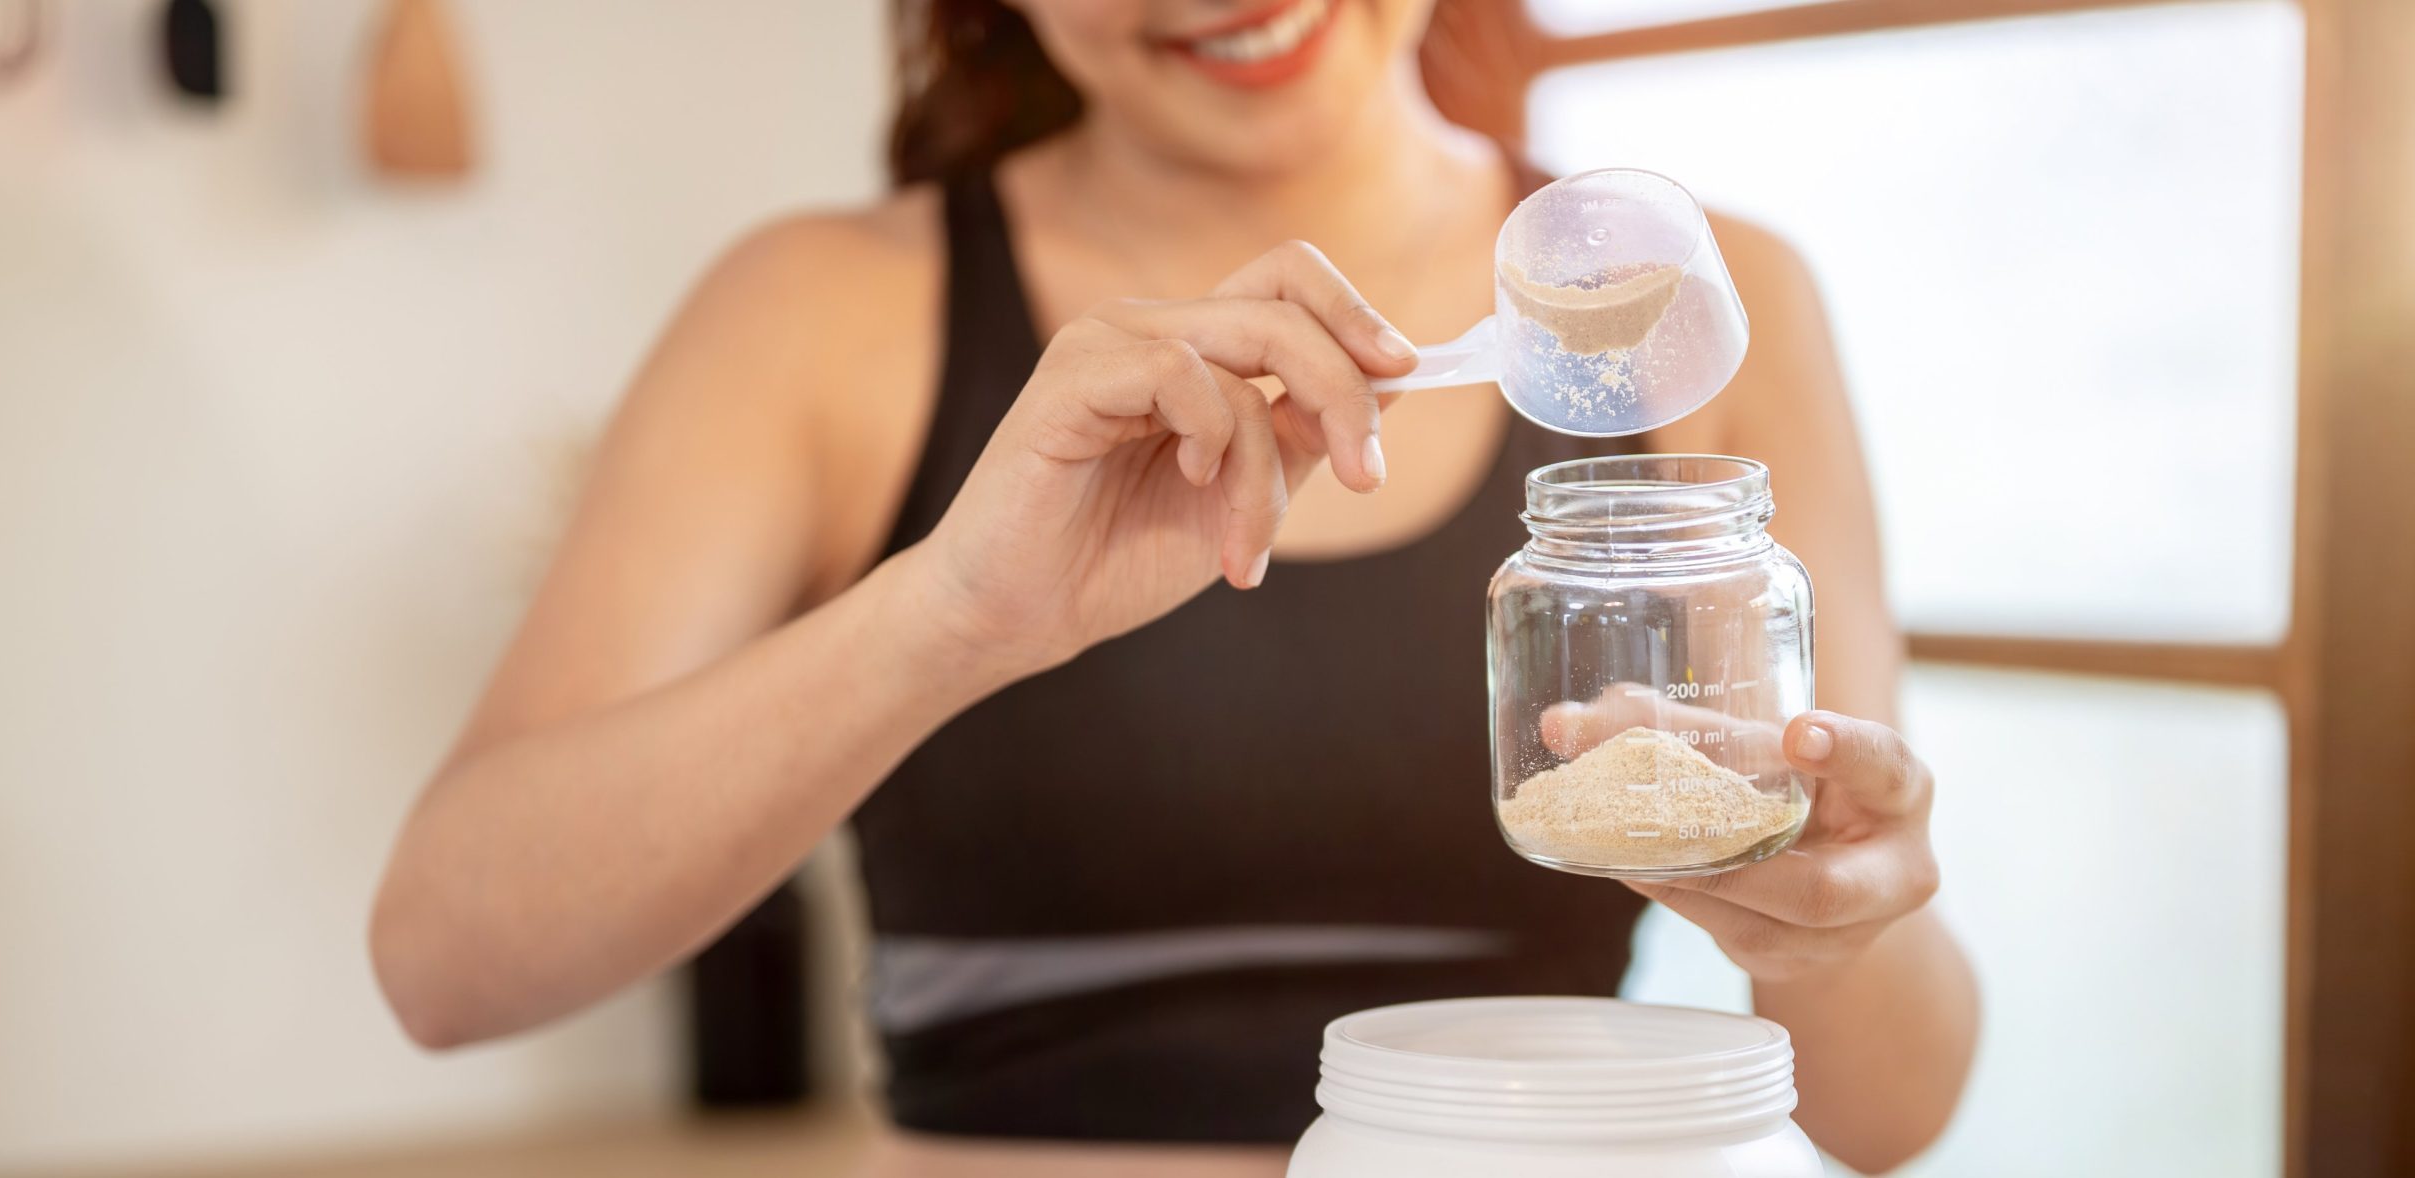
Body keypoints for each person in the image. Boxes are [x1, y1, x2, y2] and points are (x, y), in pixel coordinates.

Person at [367, 0, 1979, 1172]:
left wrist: (1834, 927)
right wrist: (952, 618)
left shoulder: (1693, 306)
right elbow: (445, 960)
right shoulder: (818, 313)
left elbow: (1894, 1113)